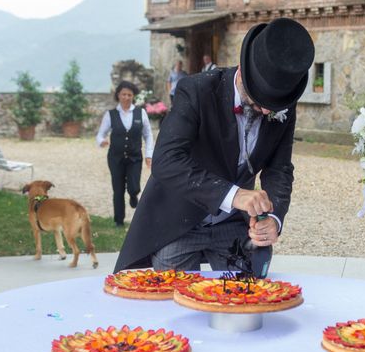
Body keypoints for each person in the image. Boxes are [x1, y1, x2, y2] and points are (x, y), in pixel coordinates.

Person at [113, 18, 315, 273]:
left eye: (273, 106)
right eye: (259, 101)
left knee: (247, 301)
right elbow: (166, 160)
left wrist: (273, 219)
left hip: (233, 225)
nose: (266, 110)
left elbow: (280, 168)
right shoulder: (196, 90)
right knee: (174, 302)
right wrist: (234, 195)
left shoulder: (282, 104)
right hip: (180, 222)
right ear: (242, 72)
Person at [96, 81, 154, 227]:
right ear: (118, 95)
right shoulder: (110, 115)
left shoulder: (140, 113)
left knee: (134, 186)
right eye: (123, 94)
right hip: (115, 158)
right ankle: (119, 220)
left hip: (134, 157)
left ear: (133, 96)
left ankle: (133, 194)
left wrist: (149, 155)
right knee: (118, 189)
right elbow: (100, 134)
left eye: (129, 94)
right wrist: (102, 141)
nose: (126, 97)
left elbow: (148, 135)